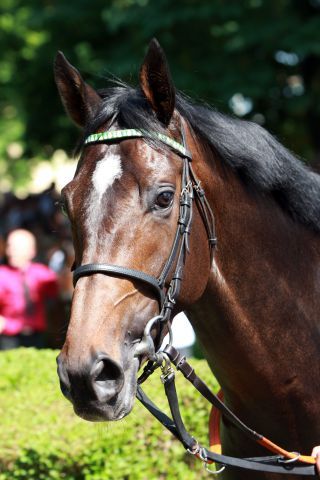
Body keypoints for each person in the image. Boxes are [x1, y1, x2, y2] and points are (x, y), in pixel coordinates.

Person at [0, 229, 58, 349]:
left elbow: (59, 298)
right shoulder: (2, 275)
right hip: (9, 338)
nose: (10, 252)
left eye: (16, 248)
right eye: (9, 247)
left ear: (32, 251)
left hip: (38, 336)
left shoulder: (43, 274)